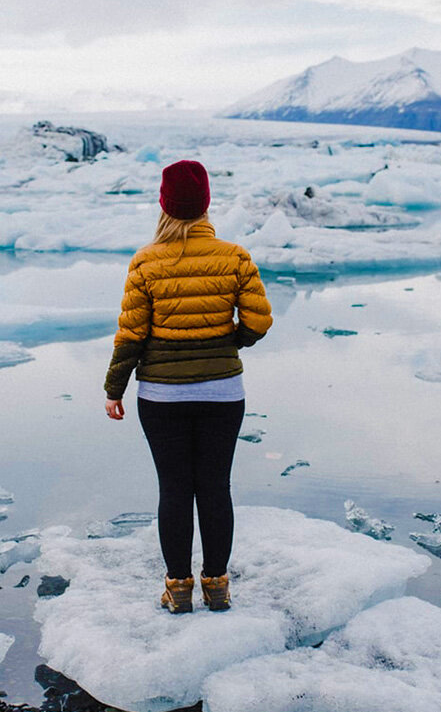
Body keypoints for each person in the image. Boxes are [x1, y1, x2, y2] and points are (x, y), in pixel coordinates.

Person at [104, 159, 273, 614]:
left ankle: (178, 589)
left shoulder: (146, 261)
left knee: (174, 490)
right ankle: (216, 586)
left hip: (161, 396)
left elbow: (132, 334)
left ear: (164, 205)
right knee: (216, 488)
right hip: (222, 392)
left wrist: (114, 388)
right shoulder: (234, 256)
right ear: (205, 205)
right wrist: (228, 343)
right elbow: (259, 320)